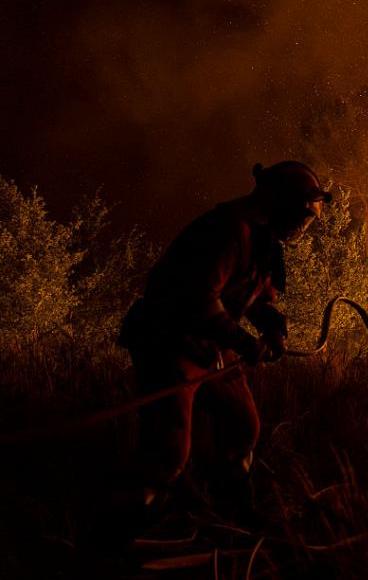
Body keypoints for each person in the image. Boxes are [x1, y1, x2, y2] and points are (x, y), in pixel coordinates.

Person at [118, 160, 330, 513]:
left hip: (209, 343)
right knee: (169, 446)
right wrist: (246, 344)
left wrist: (271, 326)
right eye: (301, 217)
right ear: (280, 203)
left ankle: (230, 509)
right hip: (169, 339)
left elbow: (245, 297)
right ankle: (127, 526)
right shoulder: (231, 231)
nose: (302, 228)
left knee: (243, 425)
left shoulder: (264, 241)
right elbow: (200, 298)